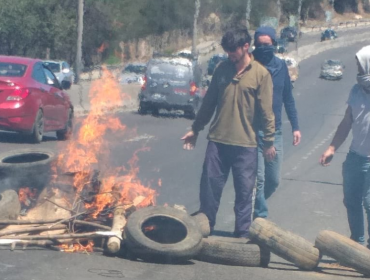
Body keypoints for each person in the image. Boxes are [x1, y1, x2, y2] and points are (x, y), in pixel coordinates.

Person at [181, 27, 275, 238]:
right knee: (209, 190)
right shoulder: (222, 69)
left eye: (233, 50)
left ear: (245, 47)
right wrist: (195, 129)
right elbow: (208, 104)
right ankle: (204, 229)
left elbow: (267, 112)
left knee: (244, 194)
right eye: (227, 51)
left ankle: (242, 236)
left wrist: (269, 142)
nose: (230, 55)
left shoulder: (261, 75)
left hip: (246, 145)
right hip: (217, 142)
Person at [320, 45, 370, 247]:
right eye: (359, 68)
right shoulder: (356, 91)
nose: (359, 73)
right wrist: (332, 148)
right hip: (355, 156)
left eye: (361, 68)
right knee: (351, 200)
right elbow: (347, 122)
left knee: (369, 202)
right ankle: (356, 244)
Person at [252, 26, 301, 219]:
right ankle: (259, 217)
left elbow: (288, 98)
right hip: (253, 131)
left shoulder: (280, 67)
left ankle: (253, 205)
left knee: (273, 180)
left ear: (273, 43)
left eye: (267, 44)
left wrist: (295, 127)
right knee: (260, 179)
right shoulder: (250, 65)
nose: (263, 47)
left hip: (277, 131)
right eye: (259, 44)